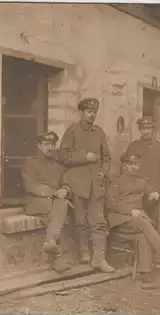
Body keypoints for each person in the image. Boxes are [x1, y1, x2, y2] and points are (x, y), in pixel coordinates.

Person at [58, 98, 114, 273]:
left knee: (99, 222)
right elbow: (64, 156)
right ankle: (84, 252)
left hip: (96, 184)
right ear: (81, 112)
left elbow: (107, 157)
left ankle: (99, 258)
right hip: (77, 183)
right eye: (89, 111)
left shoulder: (99, 132)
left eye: (95, 111)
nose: (92, 114)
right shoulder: (72, 131)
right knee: (81, 221)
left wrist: (103, 172)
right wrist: (84, 157)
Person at [106, 153, 160, 283]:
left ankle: (145, 271)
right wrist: (130, 210)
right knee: (144, 225)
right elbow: (111, 203)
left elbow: (151, 191)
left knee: (142, 234)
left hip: (138, 221)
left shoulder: (142, 181)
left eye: (135, 165)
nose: (133, 167)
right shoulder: (116, 182)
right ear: (124, 166)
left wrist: (154, 194)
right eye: (130, 165)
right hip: (120, 221)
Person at [21, 131, 72, 273]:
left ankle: (51, 244)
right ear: (39, 145)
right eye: (46, 144)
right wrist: (53, 193)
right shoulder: (30, 163)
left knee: (58, 209)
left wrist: (65, 190)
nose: (50, 148)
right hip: (35, 201)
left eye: (52, 144)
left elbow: (66, 182)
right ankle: (56, 255)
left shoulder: (58, 165)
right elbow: (31, 186)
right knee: (59, 208)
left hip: (53, 203)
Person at [123, 116, 160, 236]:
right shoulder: (133, 147)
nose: (146, 131)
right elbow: (125, 171)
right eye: (143, 128)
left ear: (153, 129)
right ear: (140, 130)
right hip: (136, 192)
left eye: (148, 128)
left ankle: (154, 252)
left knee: (153, 223)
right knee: (138, 223)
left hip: (153, 192)